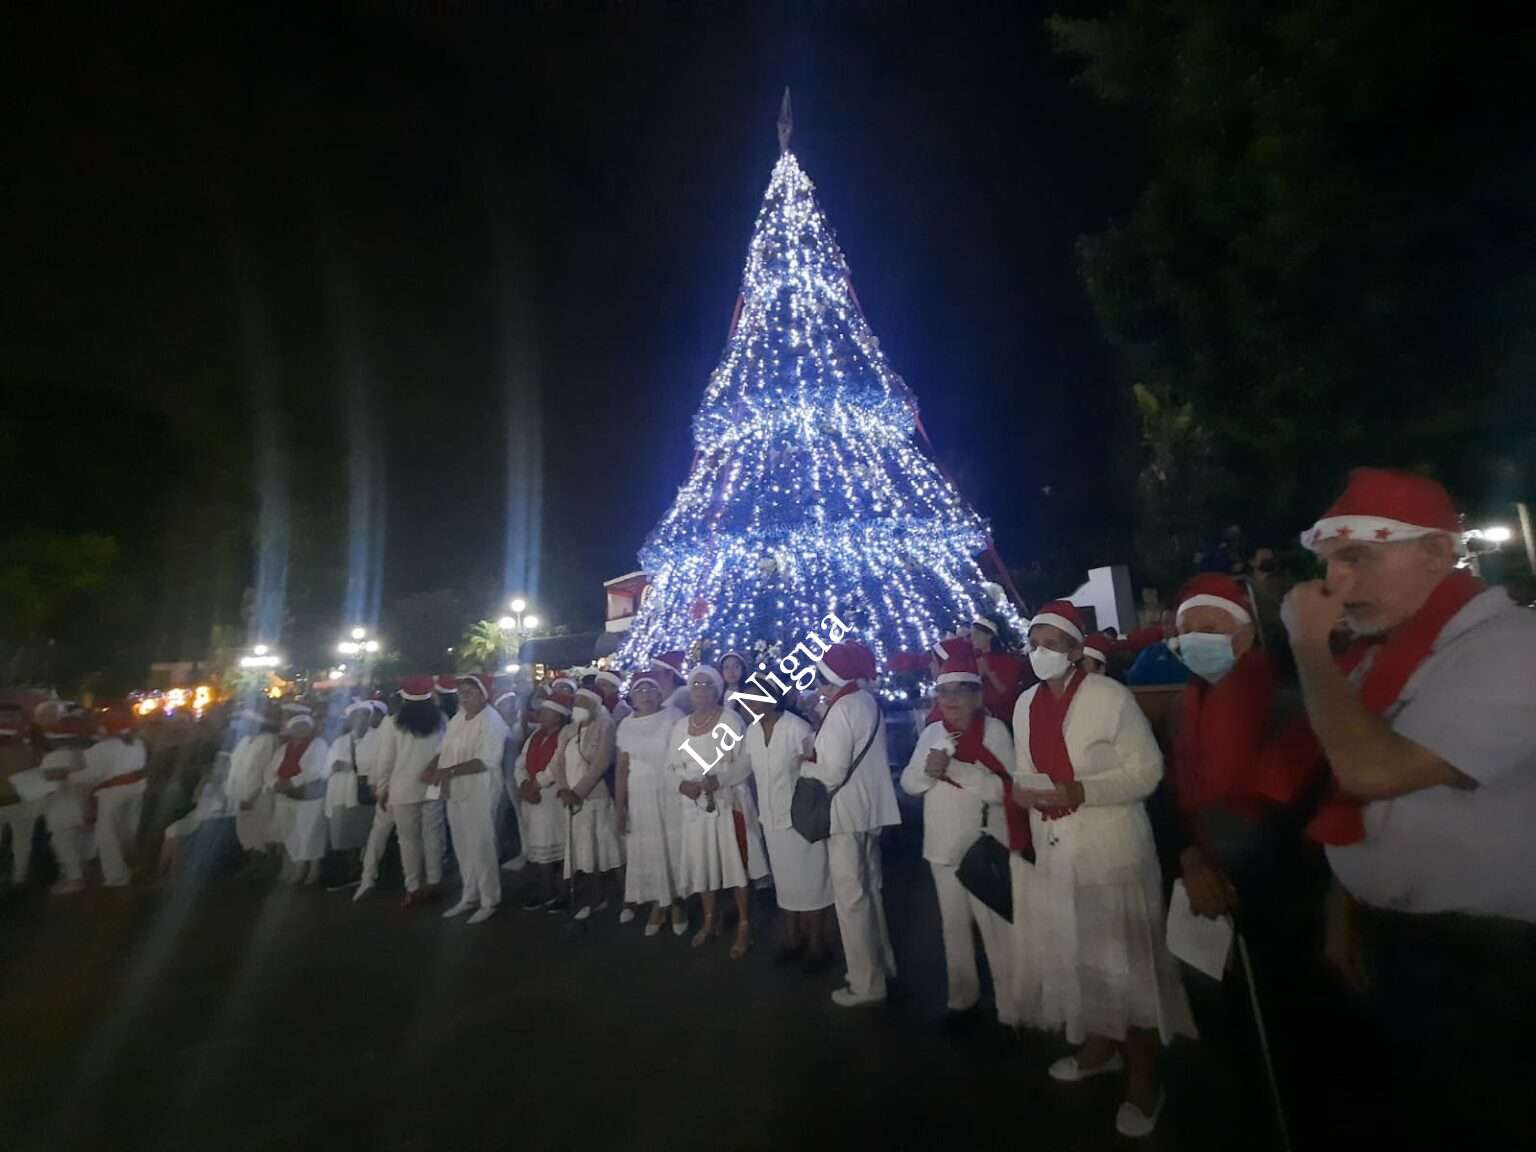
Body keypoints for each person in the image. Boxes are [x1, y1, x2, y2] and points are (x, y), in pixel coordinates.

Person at [1280, 468, 1536, 1145]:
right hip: (1401, 942)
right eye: (1329, 563)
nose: (1336, 585)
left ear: (1437, 553)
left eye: (1357, 557)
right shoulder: (1388, 655)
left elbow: (1370, 770)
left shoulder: (1512, 648)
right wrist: (1346, 908)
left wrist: (1308, 646)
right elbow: (1351, 798)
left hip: (1490, 962)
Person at [1010, 600, 1194, 1138]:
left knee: (1125, 963)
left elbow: (1147, 771)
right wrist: (1024, 792)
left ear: (1073, 649)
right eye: (1033, 642)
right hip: (1056, 845)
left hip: (1111, 849)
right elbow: (1025, 767)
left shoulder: (1109, 697)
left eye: (1051, 643)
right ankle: (1100, 1046)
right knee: (1080, 955)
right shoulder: (1024, 703)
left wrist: (1083, 790)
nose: (1039, 653)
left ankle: (1144, 1079)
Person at [1167, 572, 1333, 1148]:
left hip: (1283, 898)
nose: (1194, 640)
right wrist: (1191, 859)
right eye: (1186, 630)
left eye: (1207, 627)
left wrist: (1230, 874)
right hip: (1214, 891)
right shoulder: (1187, 708)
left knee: (1301, 1042)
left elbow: (1298, 809)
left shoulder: (1289, 700)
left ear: (1242, 635)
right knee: (1238, 1036)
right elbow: (1179, 800)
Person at [901, 639, 1020, 1026]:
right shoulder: (932, 732)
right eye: (943, 690)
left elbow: (1006, 790)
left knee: (997, 928)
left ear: (976, 695)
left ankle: (1011, 1006)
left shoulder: (995, 732)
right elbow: (909, 782)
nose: (950, 699)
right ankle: (962, 998)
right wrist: (927, 771)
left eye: (959, 690)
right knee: (953, 928)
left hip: (984, 846)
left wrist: (954, 771)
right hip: (942, 849)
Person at [805, 641, 901, 1007]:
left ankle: (866, 982)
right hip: (870, 811)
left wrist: (803, 764)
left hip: (844, 813)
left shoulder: (842, 709)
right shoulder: (866, 702)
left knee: (850, 898)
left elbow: (829, 772)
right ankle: (882, 964)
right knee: (871, 891)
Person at [667, 665, 768, 958]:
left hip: (726, 802)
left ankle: (745, 924)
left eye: (706, 684)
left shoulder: (731, 720)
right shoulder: (680, 726)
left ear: (717, 689)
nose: (700, 689)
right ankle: (710, 919)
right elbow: (670, 766)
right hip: (695, 808)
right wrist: (681, 784)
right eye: (695, 684)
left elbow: (745, 761)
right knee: (703, 864)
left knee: (736, 864)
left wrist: (720, 780)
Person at [743, 686, 834, 970]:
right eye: (748, 698)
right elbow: (746, 769)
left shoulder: (796, 727)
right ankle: (792, 937)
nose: (753, 703)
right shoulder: (752, 733)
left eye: (758, 696)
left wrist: (805, 765)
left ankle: (818, 943)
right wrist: (716, 780)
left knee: (812, 880)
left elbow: (820, 765)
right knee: (786, 884)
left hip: (800, 817)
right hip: (771, 820)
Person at [356, 677, 447, 907]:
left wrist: (382, 788)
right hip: (433, 786)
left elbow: (386, 760)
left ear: (404, 697)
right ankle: (434, 881)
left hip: (402, 789)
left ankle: (413, 887)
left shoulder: (393, 722)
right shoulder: (442, 720)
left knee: (408, 840)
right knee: (433, 835)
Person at [427, 673, 506, 924]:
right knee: (461, 843)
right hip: (455, 789)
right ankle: (469, 894)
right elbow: (444, 750)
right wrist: (432, 768)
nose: (464, 698)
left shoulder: (492, 720)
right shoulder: (458, 718)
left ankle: (489, 899)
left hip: (480, 790)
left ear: (484, 694)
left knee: (481, 844)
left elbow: (486, 760)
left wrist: (447, 772)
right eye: (461, 693)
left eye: (470, 693)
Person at [615, 673, 687, 937]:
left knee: (672, 847)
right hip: (640, 794)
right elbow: (622, 769)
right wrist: (620, 807)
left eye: (650, 688)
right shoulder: (625, 725)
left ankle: (678, 902)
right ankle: (658, 903)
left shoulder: (674, 716)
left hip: (670, 792)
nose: (644, 694)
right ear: (632, 697)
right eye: (639, 690)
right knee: (649, 848)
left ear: (659, 694)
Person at [554, 686, 625, 921]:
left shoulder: (605, 726)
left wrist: (578, 792)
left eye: (585, 701)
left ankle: (628, 897)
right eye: (577, 700)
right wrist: (564, 789)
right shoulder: (568, 730)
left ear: (595, 704)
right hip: (571, 800)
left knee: (609, 849)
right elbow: (557, 764)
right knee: (586, 853)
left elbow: (601, 764)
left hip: (595, 797)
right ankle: (595, 898)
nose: (579, 705)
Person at [513, 690, 572, 910]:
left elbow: (555, 766)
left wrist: (536, 785)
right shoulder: (535, 735)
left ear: (559, 716)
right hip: (533, 797)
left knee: (560, 849)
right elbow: (520, 763)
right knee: (540, 850)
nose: (541, 715)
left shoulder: (565, 734)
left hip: (551, 797)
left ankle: (563, 894)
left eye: (547, 712)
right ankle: (546, 891)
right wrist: (522, 785)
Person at [86, 709, 148, 887]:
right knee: (128, 831)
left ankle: (116, 877)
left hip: (111, 794)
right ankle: (130, 867)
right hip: (137, 790)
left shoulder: (100, 749)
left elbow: (89, 775)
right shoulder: (137, 743)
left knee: (108, 835)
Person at [39, 709, 97, 894]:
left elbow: (46, 783)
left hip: (61, 805)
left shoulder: (53, 758)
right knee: (79, 842)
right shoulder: (86, 754)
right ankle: (81, 874)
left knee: (62, 842)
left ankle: (75, 879)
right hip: (81, 804)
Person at [324, 700, 381, 887]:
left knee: (366, 833)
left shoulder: (378, 738)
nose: (360, 720)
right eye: (355, 716)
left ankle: (365, 871)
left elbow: (380, 765)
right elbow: (325, 770)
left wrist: (350, 767)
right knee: (344, 835)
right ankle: (350, 872)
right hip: (341, 794)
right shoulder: (340, 741)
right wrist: (333, 767)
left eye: (364, 715)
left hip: (364, 794)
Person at [270, 709, 330, 886]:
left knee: (310, 833)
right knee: (290, 833)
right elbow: (271, 769)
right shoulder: (283, 748)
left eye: (304, 726)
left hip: (308, 797)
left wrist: (292, 782)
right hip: (285, 796)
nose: (300, 730)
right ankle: (295, 866)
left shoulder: (318, 744)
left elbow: (315, 769)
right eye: (297, 726)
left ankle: (312, 870)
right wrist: (274, 783)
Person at [227, 703, 282, 875]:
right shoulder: (243, 741)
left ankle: (267, 866)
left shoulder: (267, 740)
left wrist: (251, 797)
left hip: (259, 795)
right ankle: (252, 863)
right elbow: (235, 767)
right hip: (239, 794)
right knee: (245, 830)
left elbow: (263, 770)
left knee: (262, 830)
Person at [0, 703, 43, 888]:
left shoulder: (32, 741)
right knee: (22, 841)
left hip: (19, 800)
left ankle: (17, 876)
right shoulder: (32, 740)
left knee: (21, 841)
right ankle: (19, 877)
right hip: (21, 800)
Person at [493, 687, 528, 873]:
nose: (511, 704)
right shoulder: (495, 723)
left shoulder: (516, 721)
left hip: (513, 773)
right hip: (501, 774)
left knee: (520, 812)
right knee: (497, 815)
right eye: (506, 702)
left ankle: (526, 851)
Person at [971, 616, 1028, 723]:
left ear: (989, 635)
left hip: (1007, 718)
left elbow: (1007, 694)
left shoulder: (1007, 660)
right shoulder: (974, 659)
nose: (973, 637)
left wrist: (988, 671)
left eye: (977, 633)